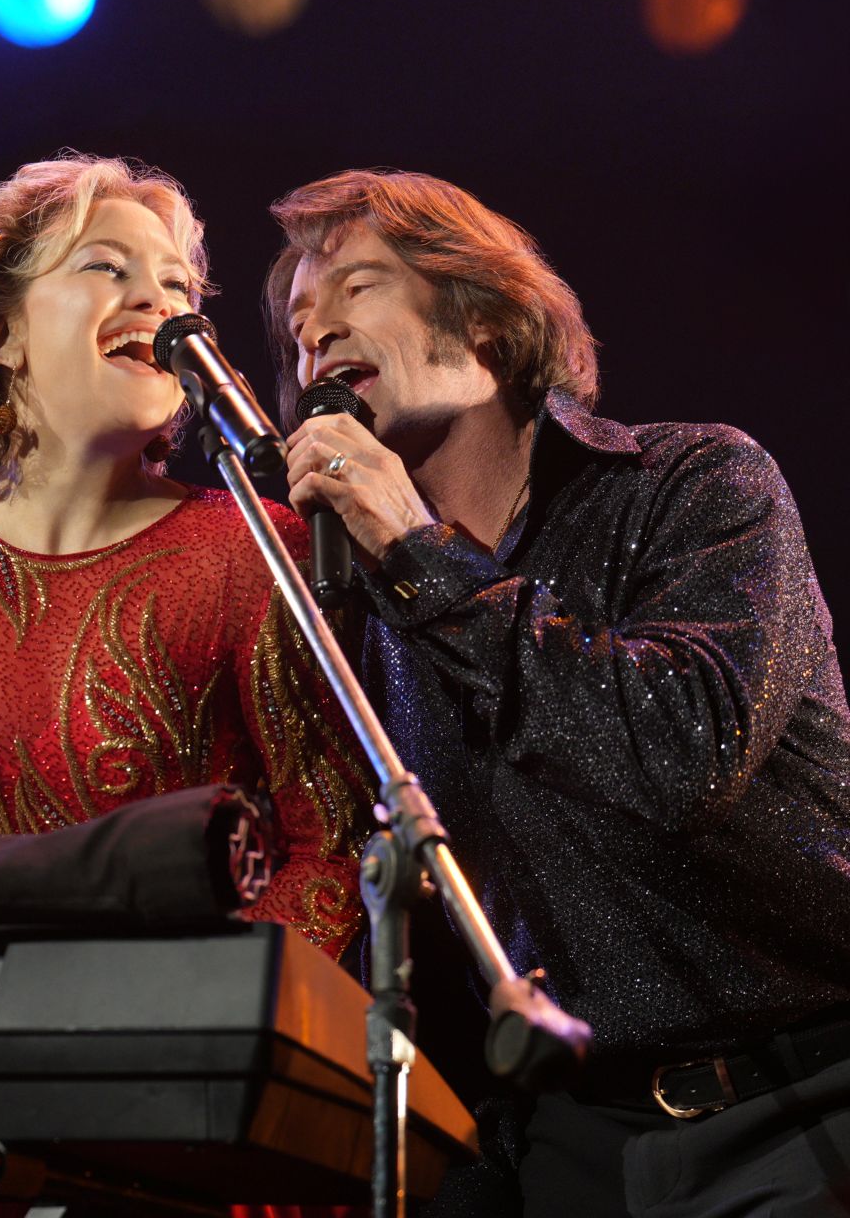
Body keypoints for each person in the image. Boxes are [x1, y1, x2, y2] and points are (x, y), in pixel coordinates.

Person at [271, 168, 850, 1214]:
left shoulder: (695, 483)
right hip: (575, 1140)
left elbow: (680, 754)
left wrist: (419, 551)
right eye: (299, 324)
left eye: (357, 287)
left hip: (804, 1104)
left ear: (488, 325)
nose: (316, 335)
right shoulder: (369, 612)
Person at [0, 151, 378, 963]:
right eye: (107, 267)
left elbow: (335, 846)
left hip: (185, 1024)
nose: (159, 302)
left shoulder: (254, 548)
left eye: (178, 286)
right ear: (2, 332)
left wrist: (198, 1010)